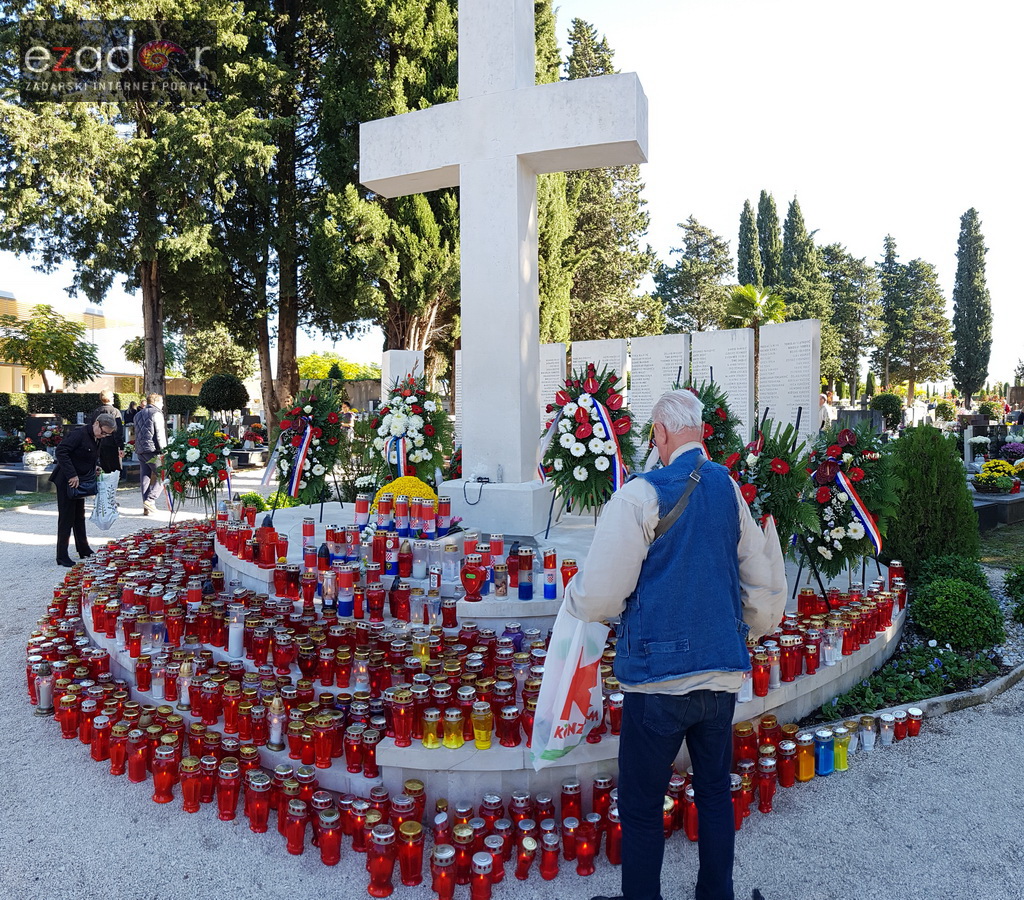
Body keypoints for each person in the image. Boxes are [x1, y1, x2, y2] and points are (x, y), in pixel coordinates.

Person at [564, 389, 786, 900]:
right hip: (721, 673)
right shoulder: (728, 489)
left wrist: (578, 611)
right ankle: (716, 894)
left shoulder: (641, 495)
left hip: (659, 680)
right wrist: (744, 630)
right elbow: (760, 581)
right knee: (712, 791)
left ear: (660, 434)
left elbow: (600, 594)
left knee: (642, 805)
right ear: (700, 432)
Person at [51, 413, 117, 566]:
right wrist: (72, 475)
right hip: (66, 480)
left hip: (79, 480)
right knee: (66, 518)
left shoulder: (96, 436)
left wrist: (94, 468)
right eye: (103, 432)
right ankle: (61, 556)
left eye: (107, 434)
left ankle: (84, 549)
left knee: (79, 517)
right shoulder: (79, 434)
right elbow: (61, 451)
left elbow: (85, 456)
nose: (104, 436)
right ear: (96, 423)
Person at [133, 392, 166, 516]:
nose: (162, 405)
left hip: (140, 449)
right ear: (156, 402)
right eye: (161, 402)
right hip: (152, 450)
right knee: (164, 473)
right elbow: (159, 434)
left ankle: (146, 507)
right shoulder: (157, 413)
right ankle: (150, 500)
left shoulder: (137, 414)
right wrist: (165, 450)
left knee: (145, 477)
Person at [87, 389, 125, 474]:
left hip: (98, 443)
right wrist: (121, 446)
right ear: (110, 398)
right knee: (113, 470)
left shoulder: (97, 411)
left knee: (102, 469)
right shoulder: (115, 411)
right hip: (112, 444)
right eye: (112, 396)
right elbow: (118, 431)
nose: (114, 398)